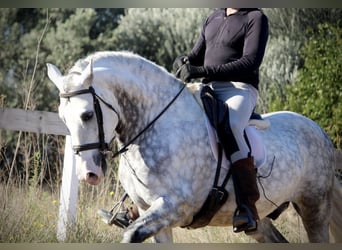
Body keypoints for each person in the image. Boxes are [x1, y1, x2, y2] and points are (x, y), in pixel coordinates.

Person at [173, 8, 269, 233]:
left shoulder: (255, 17)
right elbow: (196, 55)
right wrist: (184, 61)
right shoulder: (213, 17)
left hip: (239, 89)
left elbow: (250, 62)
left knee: (231, 125)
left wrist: (204, 70)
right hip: (207, 87)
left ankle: (247, 207)